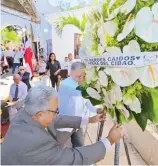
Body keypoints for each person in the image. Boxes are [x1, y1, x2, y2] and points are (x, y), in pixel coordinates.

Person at [1, 85, 124, 165]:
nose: (57, 114)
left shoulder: (26, 113)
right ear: (40, 114)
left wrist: (90, 120)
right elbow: (76, 158)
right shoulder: (36, 143)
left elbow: (58, 119)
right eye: (56, 110)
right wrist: (109, 140)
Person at [58, 62, 102, 147]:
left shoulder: (82, 85)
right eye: (79, 76)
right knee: (63, 149)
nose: (81, 78)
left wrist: (97, 109)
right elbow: (80, 93)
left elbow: (88, 102)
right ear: (71, 73)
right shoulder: (65, 84)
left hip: (78, 124)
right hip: (65, 124)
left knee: (80, 148)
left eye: (83, 76)